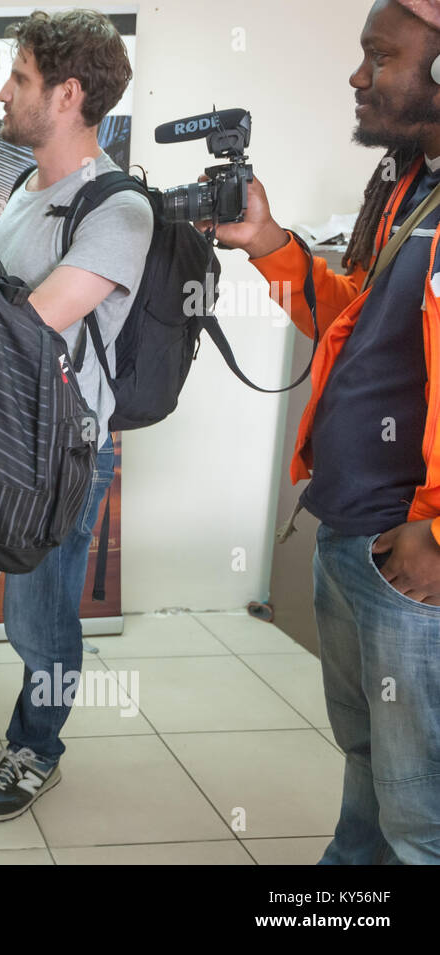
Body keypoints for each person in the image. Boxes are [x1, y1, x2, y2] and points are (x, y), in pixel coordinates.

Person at [220, 0, 440, 864]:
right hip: (352, 533)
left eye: (378, 57)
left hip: (411, 558)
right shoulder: (409, 184)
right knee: (370, 768)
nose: (357, 77)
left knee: (422, 813)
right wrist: (270, 243)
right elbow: (355, 319)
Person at [0, 8, 153, 821]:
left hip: (64, 450)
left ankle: (37, 745)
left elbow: (28, 320)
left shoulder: (118, 207)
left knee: (42, 618)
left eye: (20, 79)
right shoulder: (20, 186)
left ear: (68, 94)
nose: (3, 91)